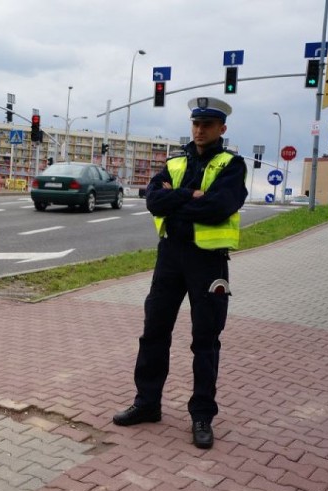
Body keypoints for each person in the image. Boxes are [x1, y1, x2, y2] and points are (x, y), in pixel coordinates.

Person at [112, 96, 247, 450]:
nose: (199, 130)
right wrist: (192, 196)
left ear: (222, 128)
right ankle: (147, 403)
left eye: (207, 124)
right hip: (170, 258)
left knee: (205, 340)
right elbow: (153, 200)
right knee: (153, 332)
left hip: (208, 261)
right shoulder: (175, 162)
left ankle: (202, 415)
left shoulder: (231, 165)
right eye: (195, 123)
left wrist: (179, 203)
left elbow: (220, 207)